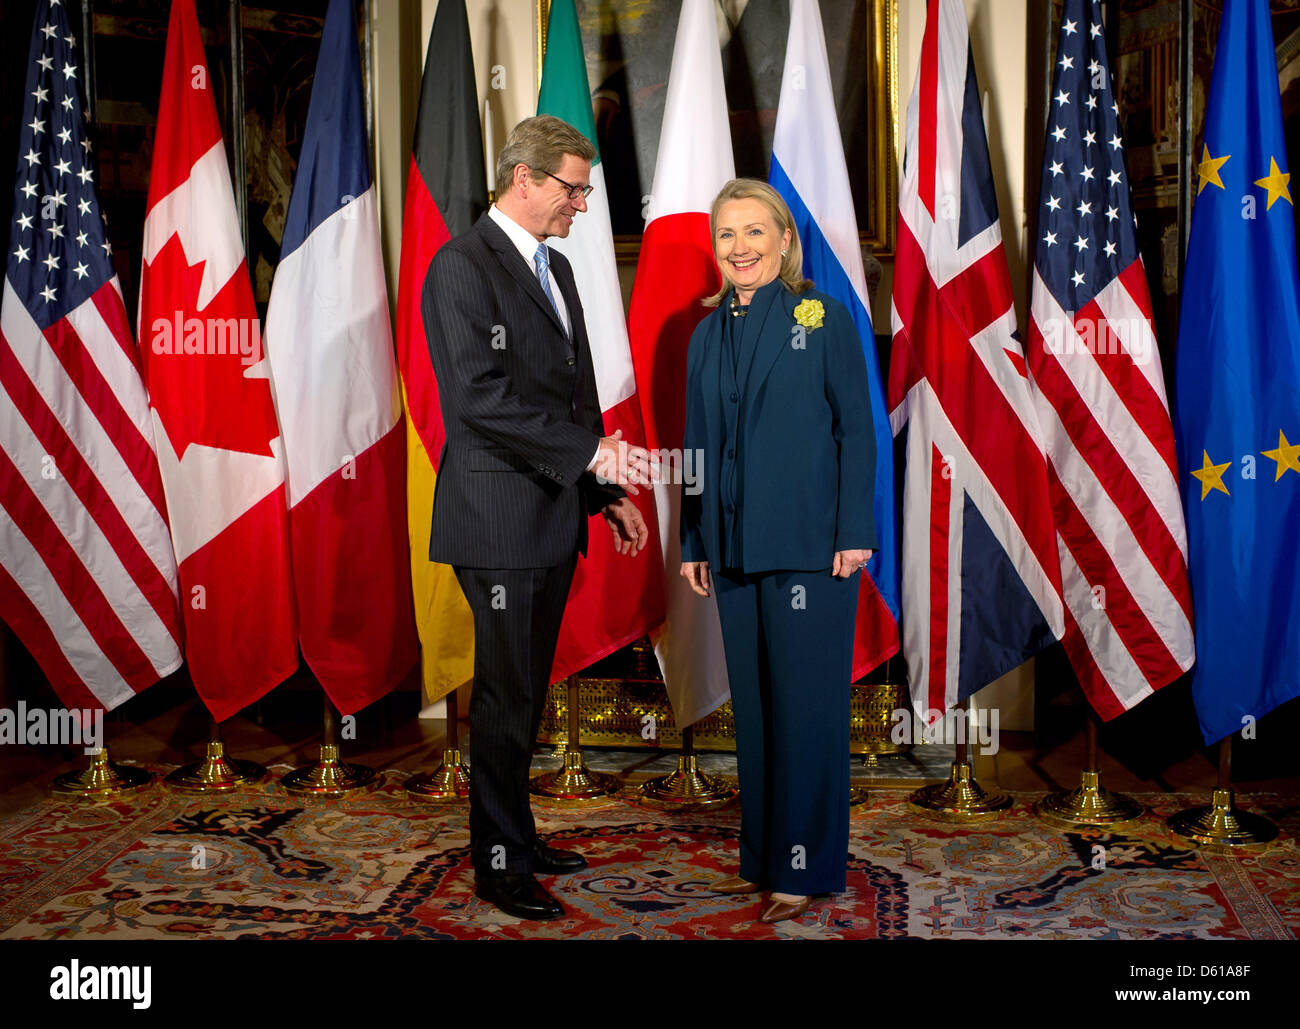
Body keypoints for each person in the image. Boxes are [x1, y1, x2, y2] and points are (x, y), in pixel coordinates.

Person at [421, 115, 651, 921]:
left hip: (549, 515)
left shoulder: (556, 268)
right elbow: (479, 399)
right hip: (497, 519)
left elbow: (569, 403)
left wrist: (602, 495)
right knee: (506, 697)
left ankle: (516, 834)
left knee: (526, 693)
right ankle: (499, 862)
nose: (582, 204)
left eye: (585, 189)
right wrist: (594, 458)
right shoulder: (460, 266)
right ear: (524, 178)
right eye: (573, 188)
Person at [680, 178, 876, 925]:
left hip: (811, 549)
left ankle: (805, 862)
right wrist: (693, 536)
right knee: (757, 711)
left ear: (784, 240)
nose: (740, 249)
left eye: (755, 233)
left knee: (806, 709)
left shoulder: (816, 314)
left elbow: (854, 427)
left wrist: (854, 528)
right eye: (727, 235)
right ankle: (764, 854)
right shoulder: (704, 333)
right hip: (729, 547)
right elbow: (696, 444)